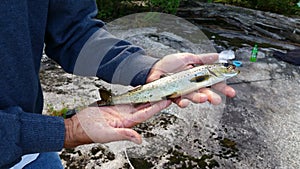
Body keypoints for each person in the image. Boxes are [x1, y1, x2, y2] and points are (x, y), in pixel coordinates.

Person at [0, 1, 236, 168]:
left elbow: (73, 31)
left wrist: (142, 66)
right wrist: (65, 131)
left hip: (34, 153)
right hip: (37, 138)